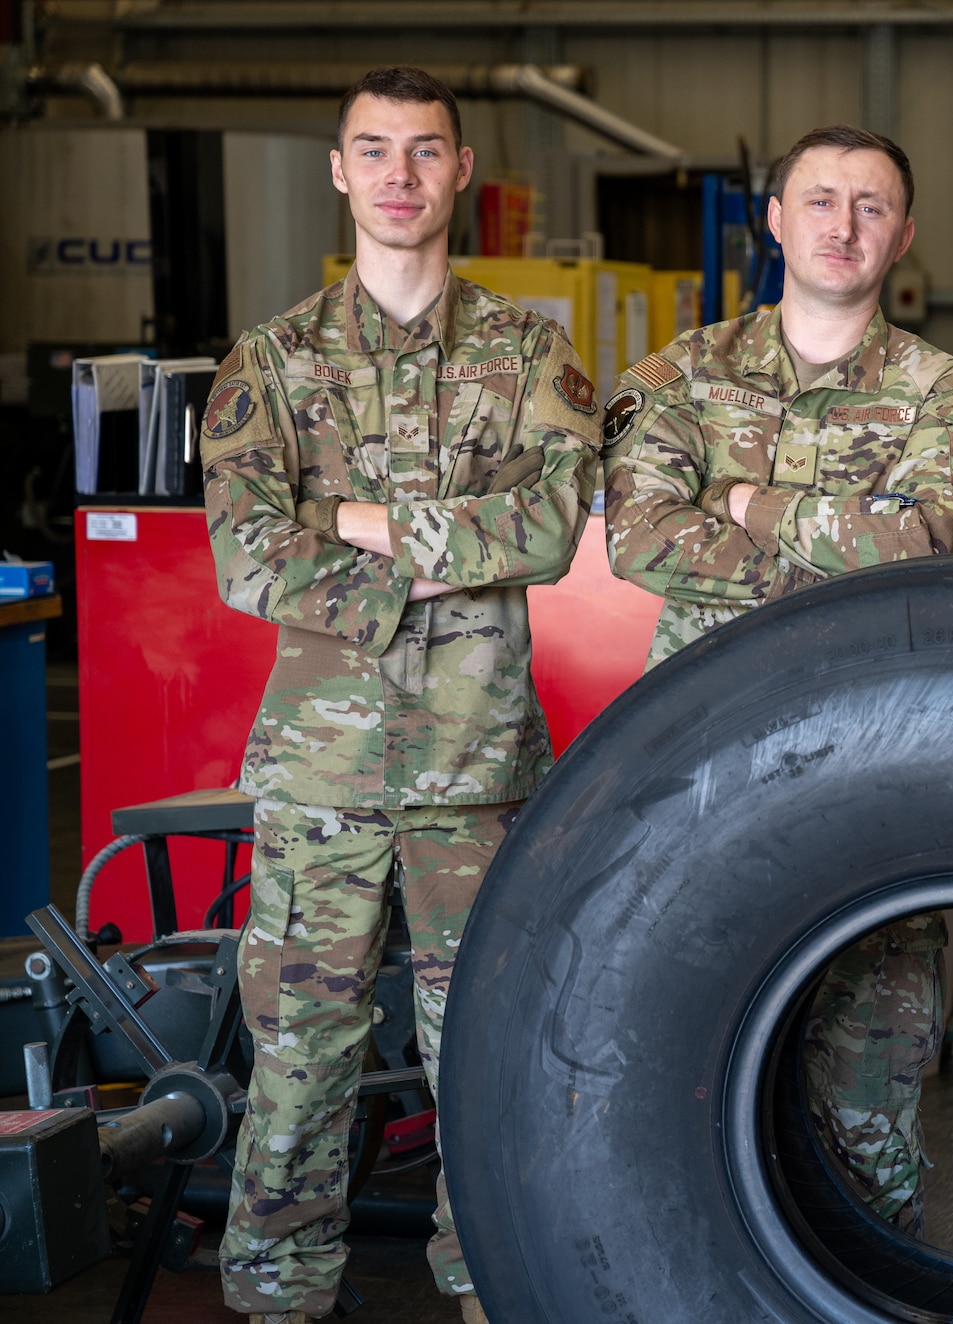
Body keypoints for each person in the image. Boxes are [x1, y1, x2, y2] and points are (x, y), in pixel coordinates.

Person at [199, 66, 601, 1324]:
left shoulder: (529, 351)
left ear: (462, 170)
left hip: (476, 774)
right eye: (373, 151)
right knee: (299, 1063)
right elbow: (244, 551)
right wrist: (432, 561)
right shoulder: (270, 360)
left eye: (424, 151)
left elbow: (548, 525)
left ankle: (492, 1285)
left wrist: (351, 522)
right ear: (338, 170)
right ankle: (275, 1295)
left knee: (481, 1059)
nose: (399, 176)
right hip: (320, 778)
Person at [601, 124, 953, 1233]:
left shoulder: (949, 392)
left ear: (905, 236)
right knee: (675, 1063)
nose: (842, 224)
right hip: (699, 767)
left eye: (870, 206)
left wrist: (739, 503)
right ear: (773, 222)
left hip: (874, 765)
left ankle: (872, 1284)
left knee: (869, 1079)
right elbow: (637, 532)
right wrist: (835, 550)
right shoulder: (678, 375)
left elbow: (927, 539)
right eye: (818, 200)